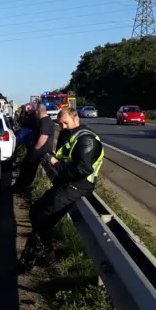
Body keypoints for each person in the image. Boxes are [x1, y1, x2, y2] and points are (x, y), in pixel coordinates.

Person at [19, 107, 105, 272]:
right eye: (60, 123)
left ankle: (29, 260)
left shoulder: (86, 140)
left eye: (66, 122)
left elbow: (82, 169)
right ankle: (46, 254)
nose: (63, 126)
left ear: (76, 119)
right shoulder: (71, 135)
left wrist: (56, 163)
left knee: (43, 219)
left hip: (78, 185)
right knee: (35, 211)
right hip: (66, 182)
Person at [13, 103, 55, 193]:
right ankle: (20, 186)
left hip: (39, 151)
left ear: (38, 111)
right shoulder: (43, 120)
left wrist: (36, 148)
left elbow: (44, 137)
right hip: (38, 150)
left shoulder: (45, 121)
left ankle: (22, 188)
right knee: (26, 167)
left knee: (28, 169)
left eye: (35, 111)